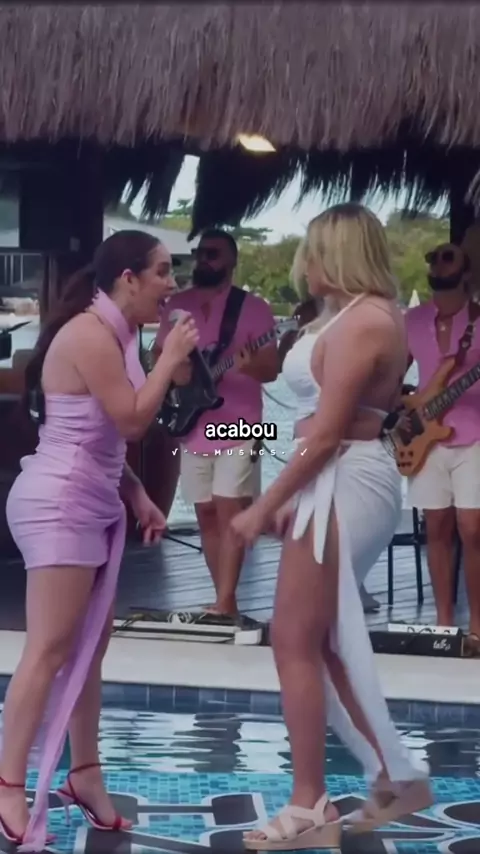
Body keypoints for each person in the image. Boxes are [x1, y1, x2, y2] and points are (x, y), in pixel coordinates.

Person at [230, 203, 432, 851]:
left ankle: (310, 802)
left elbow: (327, 433)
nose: (302, 265)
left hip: (346, 474)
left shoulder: (367, 321)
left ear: (336, 254)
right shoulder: (349, 316)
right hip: (332, 476)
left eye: (311, 251)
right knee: (316, 640)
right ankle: (393, 775)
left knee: (294, 636)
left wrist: (266, 502)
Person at [0, 230, 199, 850]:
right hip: (58, 502)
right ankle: (6, 784)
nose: (171, 283)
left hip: (89, 499)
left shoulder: (120, 335)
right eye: (162, 271)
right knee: (50, 648)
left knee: (88, 648)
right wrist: (168, 360)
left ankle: (84, 773)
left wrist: (136, 493)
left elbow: (102, 436)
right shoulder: (89, 335)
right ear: (127, 278)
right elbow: (133, 419)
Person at [153, 229, 279, 619]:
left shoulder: (254, 309)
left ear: (232, 261)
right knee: (206, 512)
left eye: (213, 253)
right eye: (201, 253)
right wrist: (175, 372)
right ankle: (224, 598)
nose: (204, 259)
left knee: (229, 506)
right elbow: (158, 356)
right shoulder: (177, 306)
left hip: (243, 425)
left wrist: (249, 365)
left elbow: (271, 369)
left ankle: (225, 602)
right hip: (193, 422)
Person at [279, 297, 381, 615]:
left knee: (333, 538)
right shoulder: (307, 329)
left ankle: (348, 591)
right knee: (309, 543)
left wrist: (268, 503)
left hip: (341, 445)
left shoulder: (359, 323)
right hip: (307, 441)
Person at [405, 243, 480, 653]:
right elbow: (392, 374)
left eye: (448, 257)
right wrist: (399, 409)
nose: (437, 263)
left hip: (476, 434)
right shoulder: (412, 320)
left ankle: (478, 628)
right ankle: (444, 626)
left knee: (473, 528)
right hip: (424, 437)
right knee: (435, 528)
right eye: (432, 258)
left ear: (466, 272)